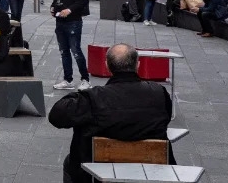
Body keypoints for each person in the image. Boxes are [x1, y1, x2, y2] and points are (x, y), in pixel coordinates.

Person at [48, 44, 174, 183]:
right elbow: (166, 118)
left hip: (98, 173)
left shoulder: (94, 98)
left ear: (107, 66)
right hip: (151, 172)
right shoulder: (159, 93)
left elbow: (56, 116)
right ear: (137, 64)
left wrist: (81, 95)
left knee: (70, 161)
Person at [51, 0, 91, 91]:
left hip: (73, 21)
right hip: (60, 21)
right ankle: (68, 80)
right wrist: (53, 7)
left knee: (76, 51)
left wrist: (69, 9)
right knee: (64, 52)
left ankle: (85, 79)